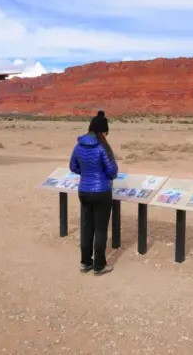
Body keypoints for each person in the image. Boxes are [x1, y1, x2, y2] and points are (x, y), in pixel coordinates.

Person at [69, 110, 118, 276]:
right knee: (101, 230)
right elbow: (112, 171)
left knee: (86, 227)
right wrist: (102, 175)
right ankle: (99, 266)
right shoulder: (102, 147)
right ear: (103, 131)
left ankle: (85, 262)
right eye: (106, 132)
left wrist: (86, 173)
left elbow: (73, 167)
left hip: (84, 190)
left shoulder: (79, 145)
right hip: (102, 192)